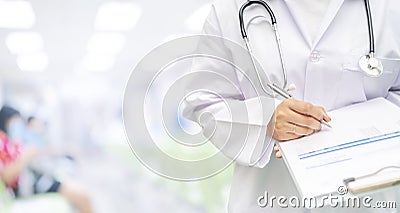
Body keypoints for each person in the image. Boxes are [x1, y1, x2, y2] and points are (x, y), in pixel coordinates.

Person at [183, 0, 400, 212]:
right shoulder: (231, 8)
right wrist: (264, 120)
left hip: (368, 199)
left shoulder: (389, 7)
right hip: (270, 200)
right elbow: (203, 100)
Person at [0, 106, 93, 213]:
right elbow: (6, 177)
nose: (17, 127)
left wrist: (64, 149)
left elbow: (40, 151)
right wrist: (24, 157)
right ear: (4, 121)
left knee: (80, 192)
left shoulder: (13, 142)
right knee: (81, 194)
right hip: (25, 186)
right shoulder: (2, 143)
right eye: (14, 122)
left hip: (33, 178)